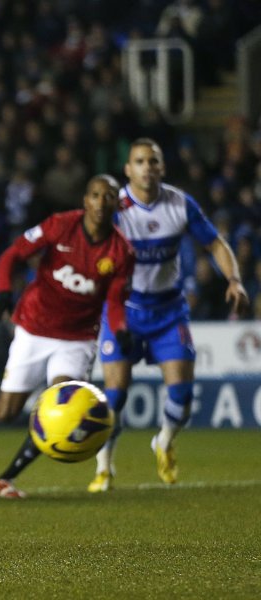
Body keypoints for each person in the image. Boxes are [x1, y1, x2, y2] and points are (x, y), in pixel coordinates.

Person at [0, 174, 134, 499]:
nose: (100, 202)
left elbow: (116, 302)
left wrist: (120, 333)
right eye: (95, 195)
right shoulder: (60, 225)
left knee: (63, 411)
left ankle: (4, 480)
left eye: (108, 197)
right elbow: (11, 255)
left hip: (78, 339)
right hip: (35, 326)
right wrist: (5, 294)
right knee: (4, 413)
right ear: (85, 200)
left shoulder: (121, 251)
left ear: (117, 204)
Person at [89, 138, 247, 492]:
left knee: (182, 394)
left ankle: (163, 442)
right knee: (114, 395)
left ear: (162, 167)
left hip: (168, 312)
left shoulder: (179, 204)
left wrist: (234, 280)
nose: (148, 167)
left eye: (154, 161)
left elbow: (215, 244)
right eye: (140, 161)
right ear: (128, 170)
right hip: (124, 312)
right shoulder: (115, 209)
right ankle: (104, 468)